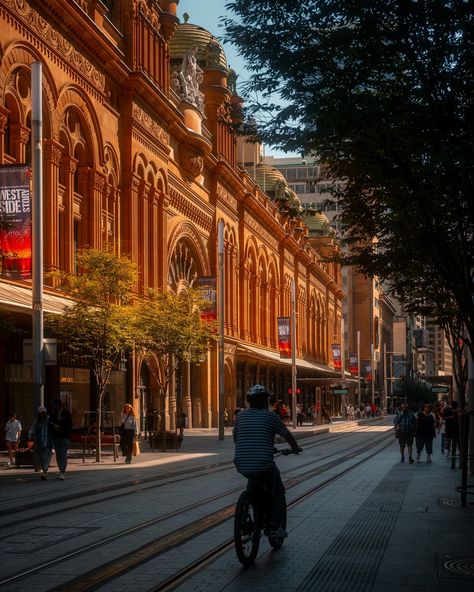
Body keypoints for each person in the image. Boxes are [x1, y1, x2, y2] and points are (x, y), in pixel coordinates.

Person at [233, 384, 302, 541]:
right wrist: (295, 448)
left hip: (242, 464)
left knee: (253, 483)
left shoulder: (241, 416)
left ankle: (247, 517)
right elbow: (287, 435)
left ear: (249, 402)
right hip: (264, 464)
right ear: (266, 402)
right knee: (278, 491)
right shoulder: (271, 417)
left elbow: (236, 437)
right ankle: (275, 527)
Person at [50, 398, 73, 480]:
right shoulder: (53, 414)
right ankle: (61, 471)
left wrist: (61, 427)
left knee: (63, 454)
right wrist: (54, 425)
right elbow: (50, 422)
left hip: (64, 437)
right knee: (58, 456)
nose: (54, 407)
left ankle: (62, 472)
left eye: (55, 405)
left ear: (58, 405)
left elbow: (70, 425)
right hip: (57, 437)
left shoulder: (66, 413)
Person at [29, 406, 53, 480]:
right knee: (42, 458)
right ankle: (45, 472)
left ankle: (44, 472)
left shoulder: (50, 419)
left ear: (46, 412)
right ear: (39, 414)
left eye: (44, 412)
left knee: (47, 457)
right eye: (41, 413)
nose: (42, 414)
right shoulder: (37, 421)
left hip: (49, 442)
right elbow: (32, 429)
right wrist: (30, 435)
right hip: (39, 442)